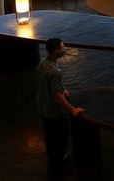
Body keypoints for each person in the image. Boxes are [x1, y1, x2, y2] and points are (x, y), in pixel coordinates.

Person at [37, 38, 83, 177]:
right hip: (55, 113)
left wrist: (62, 90)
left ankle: (54, 163)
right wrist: (72, 109)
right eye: (62, 48)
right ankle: (58, 167)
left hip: (43, 109)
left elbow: (47, 87)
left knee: (50, 138)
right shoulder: (55, 72)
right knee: (60, 138)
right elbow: (57, 97)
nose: (64, 50)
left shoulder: (42, 64)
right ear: (55, 50)